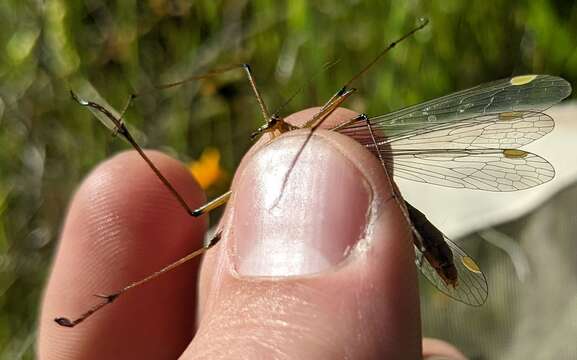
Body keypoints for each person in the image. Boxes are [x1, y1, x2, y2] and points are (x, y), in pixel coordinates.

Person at [38, 108, 465, 359]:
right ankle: (112, 295)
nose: (267, 130)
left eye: (272, 127)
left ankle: (113, 296)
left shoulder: (314, 154)